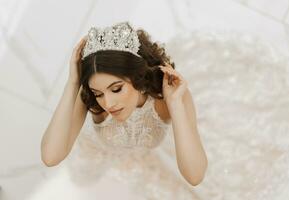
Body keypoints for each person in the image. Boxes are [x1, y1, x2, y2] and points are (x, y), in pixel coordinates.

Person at [39, 21, 208, 199]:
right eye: (98, 93)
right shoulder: (88, 97)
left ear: (138, 77)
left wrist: (175, 104)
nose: (108, 103)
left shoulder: (171, 95)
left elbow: (195, 176)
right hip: (94, 165)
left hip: (140, 167)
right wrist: (73, 82)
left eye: (116, 89)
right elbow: (50, 157)